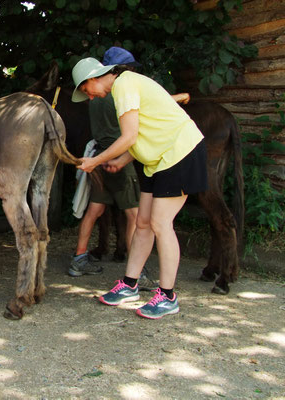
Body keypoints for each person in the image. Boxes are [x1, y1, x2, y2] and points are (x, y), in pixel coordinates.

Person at [71, 54, 207, 319]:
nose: (90, 97)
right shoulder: (122, 88)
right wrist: (121, 161)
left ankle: (168, 296)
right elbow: (141, 133)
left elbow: (129, 135)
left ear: (94, 78)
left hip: (179, 153)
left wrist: (96, 160)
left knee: (159, 223)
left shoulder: (124, 85)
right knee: (142, 222)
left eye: (87, 91)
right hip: (155, 160)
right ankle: (130, 284)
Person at [69, 47, 141, 277]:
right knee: (134, 215)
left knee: (94, 210)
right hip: (118, 157)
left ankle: (79, 257)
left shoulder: (94, 98)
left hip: (98, 156)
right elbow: (131, 130)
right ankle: (136, 269)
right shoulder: (116, 94)